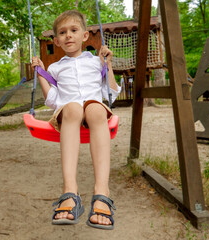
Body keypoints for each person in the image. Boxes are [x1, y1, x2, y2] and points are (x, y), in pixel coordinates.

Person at [31, 10, 120, 230]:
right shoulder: (56, 68)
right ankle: (69, 190)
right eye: (62, 33)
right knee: (72, 107)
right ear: (56, 41)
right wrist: (40, 73)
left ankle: (102, 192)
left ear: (85, 36)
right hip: (69, 115)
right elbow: (53, 100)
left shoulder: (96, 62)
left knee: (95, 108)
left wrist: (107, 65)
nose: (68, 35)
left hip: (93, 114)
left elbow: (111, 92)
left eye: (73, 30)